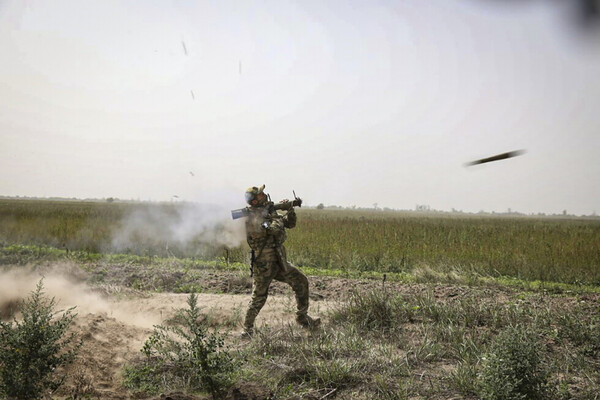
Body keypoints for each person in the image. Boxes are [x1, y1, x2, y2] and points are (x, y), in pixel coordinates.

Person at [242, 184, 320, 337]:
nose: (264, 195)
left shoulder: (266, 212)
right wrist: (276, 214)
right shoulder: (253, 218)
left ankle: (302, 318)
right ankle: (247, 330)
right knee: (259, 297)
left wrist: (290, 209)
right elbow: (274, 228)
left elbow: (290, 224)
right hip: (264, 264)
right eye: (260, 195)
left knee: (301, 281)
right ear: (254, 201)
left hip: (278, 261)